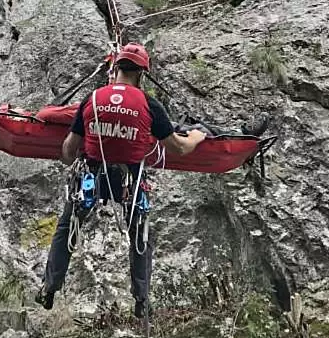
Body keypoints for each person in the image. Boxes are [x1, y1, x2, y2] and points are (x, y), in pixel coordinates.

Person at [35, 42, 267, 318]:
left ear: (116, 68)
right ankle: (142, 302)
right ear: (142, 74)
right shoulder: (149, 105)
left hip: (92, 175)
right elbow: (178, 148)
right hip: (129, 180)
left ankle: (49, 288)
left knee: (67, 227)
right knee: (140, 237)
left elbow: (68, 151)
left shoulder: (93, 99)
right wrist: (196, 137)